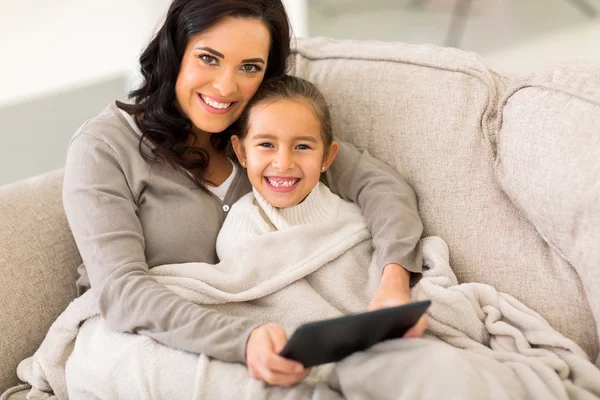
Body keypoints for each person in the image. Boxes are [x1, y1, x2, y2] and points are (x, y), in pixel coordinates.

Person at [62, 0, 424, 389]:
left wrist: (393, 283)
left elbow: (379, 185)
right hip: (143, 335)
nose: (225, 87)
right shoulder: (103, 147)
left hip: (261, 327)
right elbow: (122, 292)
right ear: (174, 52)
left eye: (249, 67)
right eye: (208, 58)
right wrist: (243, 340)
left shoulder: (264, 133)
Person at [220, 75, 428, 386]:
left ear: (327, 157)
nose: (283, 162)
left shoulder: (353, 213)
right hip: (331, 363)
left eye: (302, 146)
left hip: (394, 341)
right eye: (266, 144)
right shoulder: (240, 231)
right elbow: (259, 306)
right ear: (241, 152)